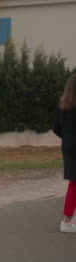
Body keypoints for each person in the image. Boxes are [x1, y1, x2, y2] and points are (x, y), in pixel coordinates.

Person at [54, 73, 76, 232]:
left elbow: (56, 128)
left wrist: (68, 137)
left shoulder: (63, 105)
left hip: (68, 146)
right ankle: (66, 221)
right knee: (74, 184)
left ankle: (68, 219)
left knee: (74, 182)